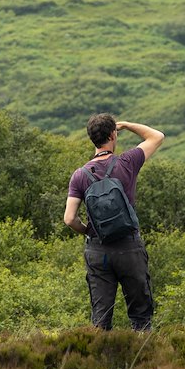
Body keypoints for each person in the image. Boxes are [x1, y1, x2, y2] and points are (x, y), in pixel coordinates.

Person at [63, 114, 165, 331]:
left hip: (98, 251)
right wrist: (127, 124)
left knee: (101, 319)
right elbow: (157, 136)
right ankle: (144, 358)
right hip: (129, 247)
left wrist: (89, 232)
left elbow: (69, 218)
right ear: (113, 135)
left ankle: (100, 360)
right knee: (140, 315)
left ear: (92, 139)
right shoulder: (127, 162)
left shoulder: (79, 175)